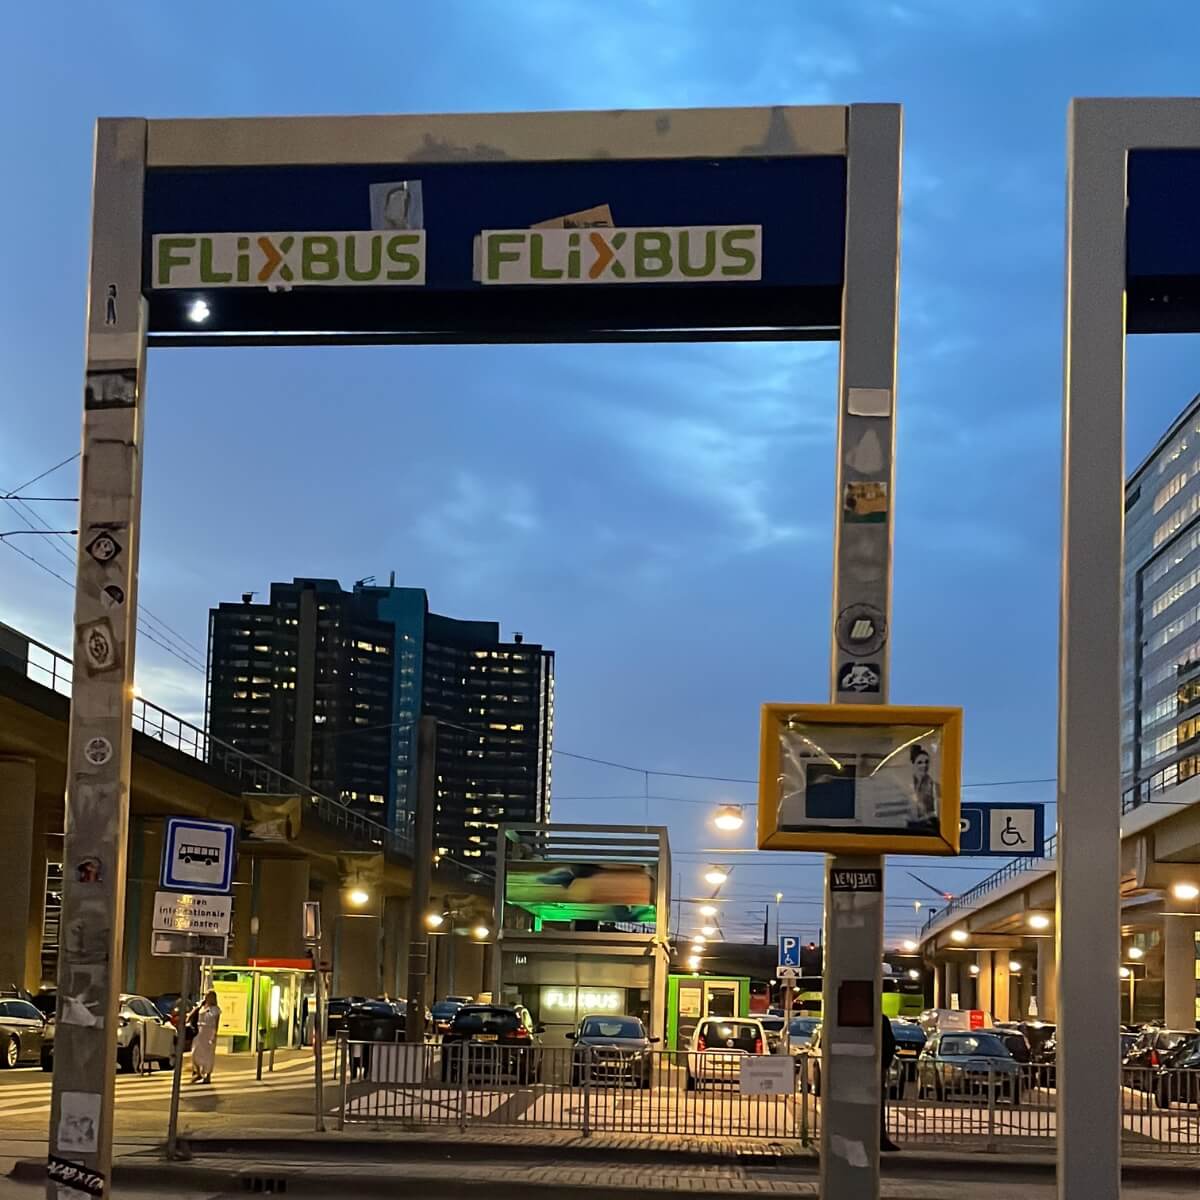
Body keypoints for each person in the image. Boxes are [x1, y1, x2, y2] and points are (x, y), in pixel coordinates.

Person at [188, 991, 221, 1084]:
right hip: (199, 1031)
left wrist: (214, 1035)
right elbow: (190, 1016)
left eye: (207, 996)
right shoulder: (201, 1007)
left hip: (209, 1031)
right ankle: (198, 1072)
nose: (206, 997)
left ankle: (207, 1075)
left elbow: (217, 1023)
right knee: (195, 1053)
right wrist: (198, 1007)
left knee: (208, 1055)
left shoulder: (216, 1009)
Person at [880, 1011, 900, 1153]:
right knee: (877, 1106)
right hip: (878, 1069)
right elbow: (890, 1044)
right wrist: (884, 1065)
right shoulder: (881, 1020)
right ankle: (881, 1138)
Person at [909, 744, 939, 827]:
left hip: (926, 825)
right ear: (913, 764)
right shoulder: (907, 784)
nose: (924, 765)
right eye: (920, 762)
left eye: (926, 762)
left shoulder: (933, 785)